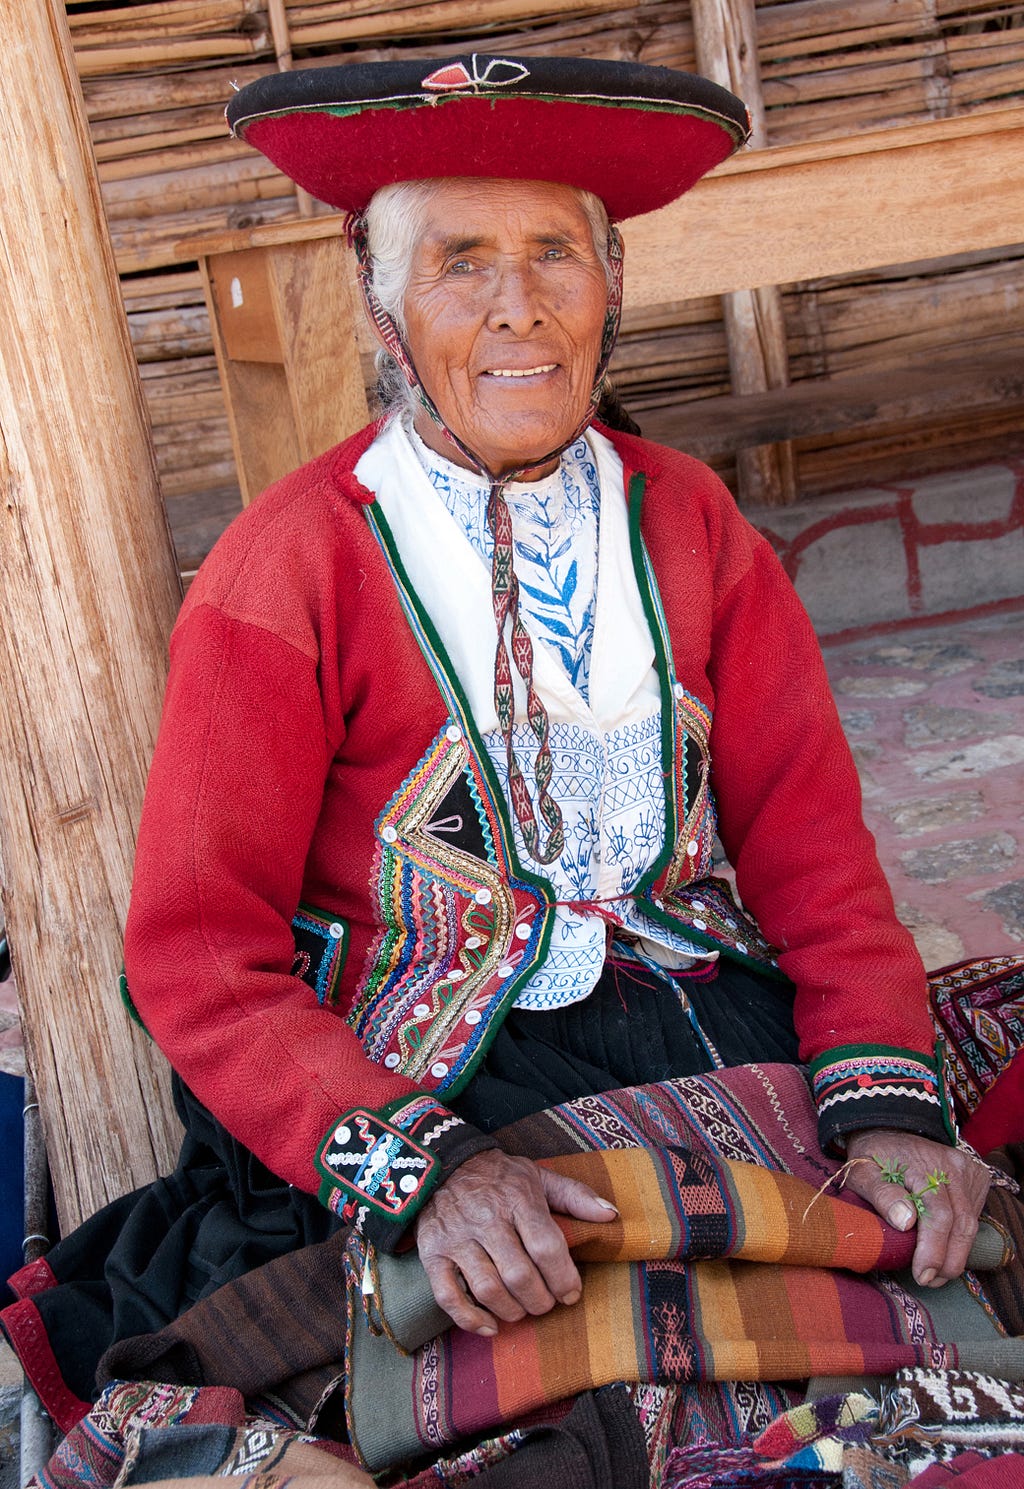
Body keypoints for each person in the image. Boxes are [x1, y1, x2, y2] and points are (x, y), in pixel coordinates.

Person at [4, 54, 1017, 1446]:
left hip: (705, 1004)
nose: (517, 305)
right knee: (574, 1392)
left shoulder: (694, 522)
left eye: (554, 253)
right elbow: (192, 952)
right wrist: (422, 1173)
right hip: (439, 1071)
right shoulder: (285, 569)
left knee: (933, 1259)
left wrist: (890, 1103)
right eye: (460, 262)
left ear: (614, 280)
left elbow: (813, 854)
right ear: (379, 295)